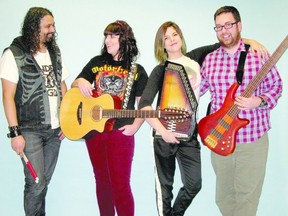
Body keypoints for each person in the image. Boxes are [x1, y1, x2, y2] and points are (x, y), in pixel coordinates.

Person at [138, 21, 267, 216]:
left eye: (174, 34)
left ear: (181, 36)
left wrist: (250, 41)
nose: (172, 40)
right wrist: (163, 132)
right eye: (166, 38)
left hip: (189, 136)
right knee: (165, 188)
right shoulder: (160, 71)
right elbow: (144, 105)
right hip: (162, 137)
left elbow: (225, 42)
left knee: (194, 184)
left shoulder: (195, 59)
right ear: (161, 45)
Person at [200, 6, 283, 216]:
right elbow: (196, 91)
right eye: (219, 27)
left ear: (239, 26)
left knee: (247, 197)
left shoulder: (259, 55)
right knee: (224, 196)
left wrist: (260, 100)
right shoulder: (209, 60)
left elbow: (277, 86)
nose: (224, 30)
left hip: (252, 139)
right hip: (219, 137)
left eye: (228, 25)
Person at [71, 20, 148, 216]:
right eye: (106, 35)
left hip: (120, 133)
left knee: (120, 185)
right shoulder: (96, 62)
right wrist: (80, 82)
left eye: (113, 35)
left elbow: (144, 105)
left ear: (125, 39)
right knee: (102, 182)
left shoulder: (136, 71)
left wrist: (135, 126)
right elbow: (75, 84)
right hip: (94, 131)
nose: (107, 40)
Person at [0, 7, 69, 216]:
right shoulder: (14, 53)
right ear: (34, 27)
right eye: (48, 26)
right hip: (29, 130)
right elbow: (7, 95)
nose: (53, 29)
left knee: (42, 183)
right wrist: (15, 133)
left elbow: (63, 87)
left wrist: (68, 122)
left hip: (55, 131)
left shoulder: (54, 52)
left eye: (53, 25)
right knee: (36, 183)